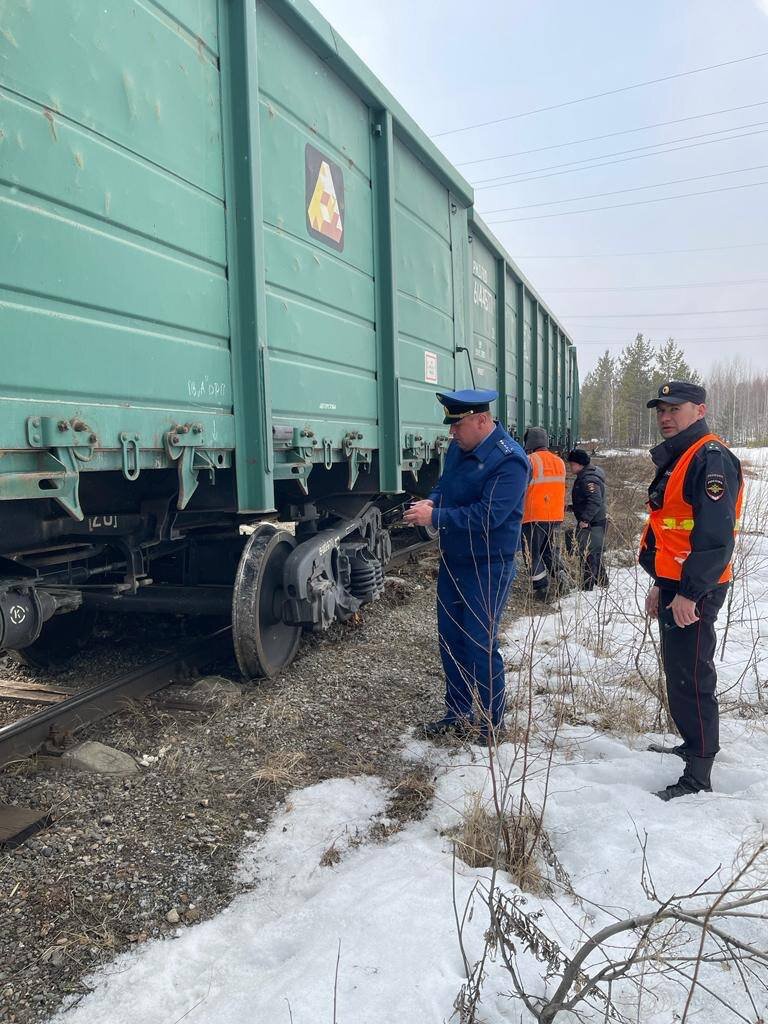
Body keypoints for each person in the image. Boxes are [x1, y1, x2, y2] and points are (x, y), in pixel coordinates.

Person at [404, 388, 529, 742]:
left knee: (480, 643)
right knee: (450, 640)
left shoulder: (510, 461)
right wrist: (430, 502)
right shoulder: (460, 449)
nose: (451, 433)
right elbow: (445, 486)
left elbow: (490, 516)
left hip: (489, 566)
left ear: (482, 420)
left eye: (457, 425)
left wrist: (437, 515)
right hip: (454, 561)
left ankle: (491, 724)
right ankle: (457, 714)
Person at [640, 380, 743, 801]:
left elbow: (715, 537)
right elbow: (669, 529)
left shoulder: (709, 458)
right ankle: (691, 745)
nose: (666, 417)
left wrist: (689, 594)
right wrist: (661, 586)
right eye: (661, 410)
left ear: (699, 411)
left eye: (675, 409)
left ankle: (699, 772)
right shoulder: (680, 456)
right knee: (678, 672)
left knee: (692, 675)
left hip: (695, 588)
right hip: (676, 584)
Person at [520, 427, 567, 600]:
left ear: (529, 443)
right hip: (555, 516)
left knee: (532, 553)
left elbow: (520, 488)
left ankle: (541, 590)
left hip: (533, 515)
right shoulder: (559, 462)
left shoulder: (529, 461)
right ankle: (562, 576)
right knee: (548, 549)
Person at [565, 448, 608, 590]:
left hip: (593, 523)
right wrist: (571, 508)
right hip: (596, 521)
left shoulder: (588, 479)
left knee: (588, 556)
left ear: (580, 464)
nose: (570, 467)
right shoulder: (588, 475)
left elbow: (595, 501)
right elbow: (586, 501)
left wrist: (585, 519)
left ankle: (587, 588)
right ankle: (603, 583)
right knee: (594, 554)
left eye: (572, 464)